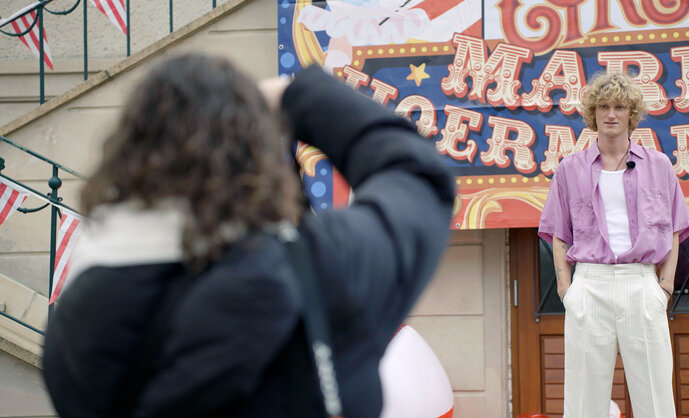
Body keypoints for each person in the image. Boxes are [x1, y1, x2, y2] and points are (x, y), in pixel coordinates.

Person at [41, 53, 455, 417]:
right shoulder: (320, 269)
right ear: (258, 160)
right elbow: (416, 178)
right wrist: (304, 96)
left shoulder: (73, 321)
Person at [538, 72, 689, 417]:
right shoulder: (569, 169)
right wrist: (567, 289)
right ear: (592, 114)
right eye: (604, 106)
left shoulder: (658, 166)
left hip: (641, 284)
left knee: (655, 397)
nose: (611, 114)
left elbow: (674, 229)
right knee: (583, 401)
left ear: (631, 114)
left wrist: (664, 287)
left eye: (620, 107)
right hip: (590, 285)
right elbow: (559, 234)